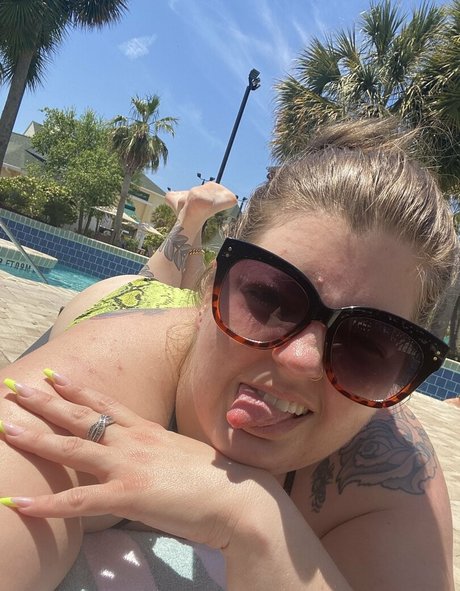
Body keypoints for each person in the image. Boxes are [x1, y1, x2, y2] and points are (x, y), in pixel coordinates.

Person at [0, 118, 457, 591]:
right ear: (213, 287)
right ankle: (188, 223)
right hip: (124, 305)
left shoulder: (389, 468)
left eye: (366, 344)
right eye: (268, 296)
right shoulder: (104, 369)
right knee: (149, 285)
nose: (302, 359)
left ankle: (194, 223)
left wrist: (250, 517)